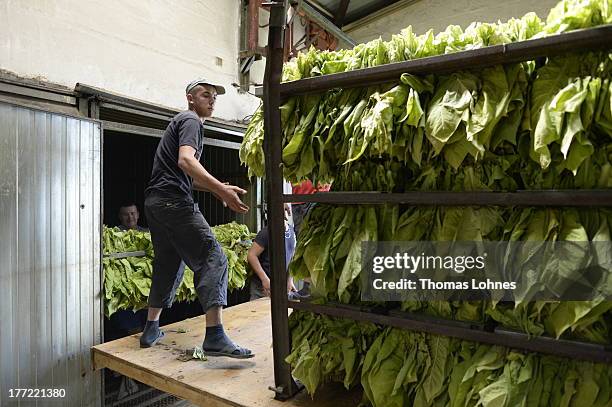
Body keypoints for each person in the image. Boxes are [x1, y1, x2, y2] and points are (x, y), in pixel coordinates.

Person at [139, 78, 253, 359]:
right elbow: (186, 162)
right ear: (191, 98)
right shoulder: (191, 120)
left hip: (156, 203)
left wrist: (220, 189)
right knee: (213, 256)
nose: (212, 100)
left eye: (215, 96)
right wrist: (222, 193)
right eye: (206, 95)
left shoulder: (180, 122)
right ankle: (214, 336)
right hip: (173, 202)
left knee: (168, 261)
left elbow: (184, 174)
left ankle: (151, 328)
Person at [247, 204, 298, 300]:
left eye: (285, 210)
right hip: (263, 288)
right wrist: (264, 279)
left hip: (282, 286)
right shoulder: (266, 232)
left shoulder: (291, 232)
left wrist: (290, 280)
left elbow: (293, 256)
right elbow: (251, 255)